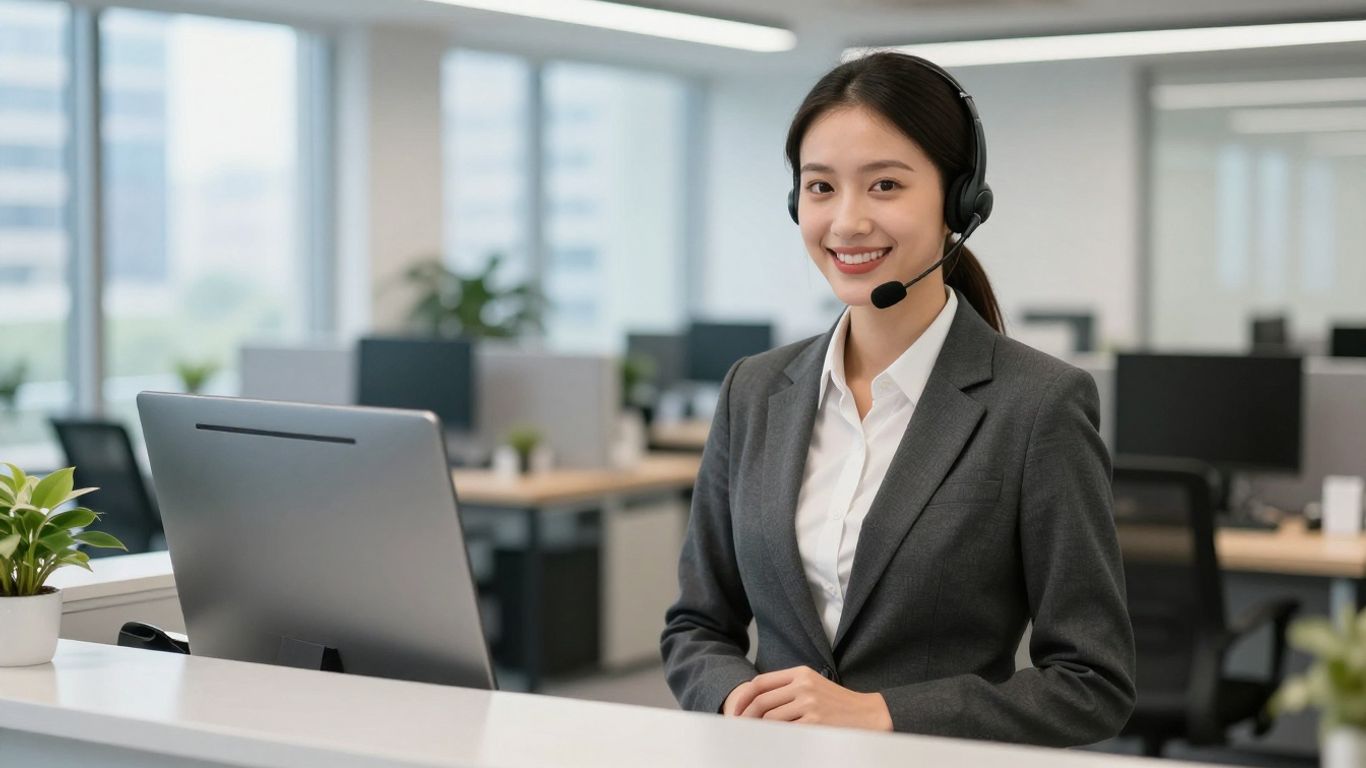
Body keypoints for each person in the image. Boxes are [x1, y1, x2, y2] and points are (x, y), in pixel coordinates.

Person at [659, 52, 1135, 746]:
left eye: (884, 184)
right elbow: (697, 626)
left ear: (959, 202)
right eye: (820, 187)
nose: (846, 221)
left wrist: (884, 714)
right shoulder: (754, 390)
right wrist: (737, 701)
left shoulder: (1038, 405)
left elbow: (1092, 683)